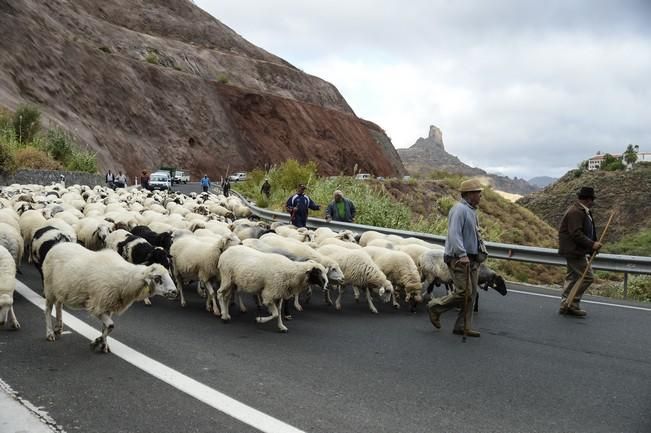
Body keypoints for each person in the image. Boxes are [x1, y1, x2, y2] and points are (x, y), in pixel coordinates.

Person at [427, 178, 484, 338]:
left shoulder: (471, 211)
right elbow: (454, 234)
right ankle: (435, 306)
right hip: (459, 259)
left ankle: (462, 326)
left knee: (471, 295)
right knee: (463, 292)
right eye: (478, 193)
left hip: (471, 260)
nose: (480, 196)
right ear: (469, 194)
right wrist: (462, 254)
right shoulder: (459, 210)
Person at [557, 186, 601, 317]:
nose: (593, 202)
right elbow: (576, 233)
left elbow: (587, 231)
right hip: (574, 251)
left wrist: (592, 246)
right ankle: (572, 304)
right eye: (592, 199)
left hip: (575, 250)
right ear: (588, 200)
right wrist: (592, 244)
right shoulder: (576, 212)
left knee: (572, 278)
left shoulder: (582, 211)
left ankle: (565, 304)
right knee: (587, 277)